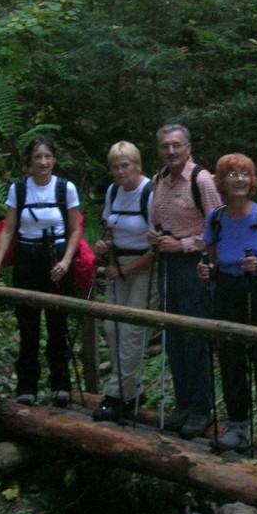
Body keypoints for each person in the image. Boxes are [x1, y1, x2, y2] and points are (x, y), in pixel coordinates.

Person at [0, 135, 80, 407]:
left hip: (56, 259)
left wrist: (66, 262)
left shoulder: (65, 189)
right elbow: (8, 229)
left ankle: (60, 385)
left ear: (54, 159)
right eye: (37, 157)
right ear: (29, 162)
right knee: (28, 327)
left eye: (47, 157)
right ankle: (27, 387)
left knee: (57, 327)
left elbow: (75, 228)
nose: (43, 162)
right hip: (27, 260)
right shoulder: (19, 190)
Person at [197, 154, 257, 462]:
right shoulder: (216, 218)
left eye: (244, 175)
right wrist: (208, 270)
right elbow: (212, 257)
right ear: (222, 182)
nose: (239, 180)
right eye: (232, 175)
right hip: (228, 290)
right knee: (230, 359)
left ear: (252, 181)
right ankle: (237, 427)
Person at [147, 124, 222, 439]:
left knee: (195, 337)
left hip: (193, 264)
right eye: (165, 146)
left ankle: (202, 409)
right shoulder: (158, 180)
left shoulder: (200, 179)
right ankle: (183, 405)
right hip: (167, 263)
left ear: (188, 148)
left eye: (176, 145)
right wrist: (156, 236)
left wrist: (185, 244)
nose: (171, 151)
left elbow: (218, 226)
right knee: (174, 336)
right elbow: (158, 220)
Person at [91, 141, 156, 422]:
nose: (120, 172)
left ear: (138, 165)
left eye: (125, 165)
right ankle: (134, 391)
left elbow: (158, 248)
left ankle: (115, 396)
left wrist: (126, 270)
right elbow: (110, 228)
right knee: (111, 329)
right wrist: (104, 246)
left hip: (143, 270)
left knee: (131, 334)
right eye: (116, 167)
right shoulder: (113, 192)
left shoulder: (150, 194)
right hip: (117, 268)